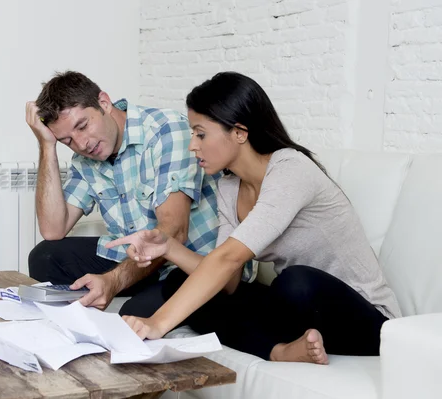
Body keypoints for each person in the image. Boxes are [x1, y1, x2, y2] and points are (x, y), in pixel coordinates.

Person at [106, 71, 402, 364]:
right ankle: (279, 350)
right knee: (179, 281)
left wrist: (158, 323)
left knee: (296, 282)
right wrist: (168, 247)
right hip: (297, 312)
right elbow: (227, 283)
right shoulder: (229, 186)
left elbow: (229, 259)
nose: (192, 145)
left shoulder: (290, 170)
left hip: (366, 319)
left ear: (239, 132)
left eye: (200, 133)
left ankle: (276, 340)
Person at [26, 71, 219, 317]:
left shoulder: (166, 131)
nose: (82, 144)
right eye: (67, 140)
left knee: (134, 313)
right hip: (138, 260)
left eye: (83, 126)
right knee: (45, 256)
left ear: (104, 103)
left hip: (185, 263)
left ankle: (134, 296)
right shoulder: (85, 159)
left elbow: (173, 231)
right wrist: (47, 145)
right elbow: (53, 229)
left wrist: (115, 281)